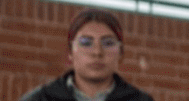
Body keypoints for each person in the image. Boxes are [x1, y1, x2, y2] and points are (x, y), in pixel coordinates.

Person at [19, 7, 155, 101]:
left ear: (121, 53)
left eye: (108, 43)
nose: (97, 52)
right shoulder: (39, 99)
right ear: (70, 52)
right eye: (86, 42)